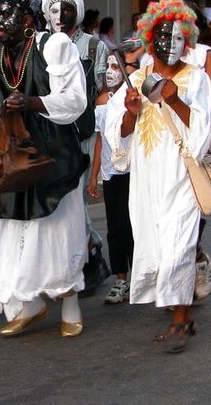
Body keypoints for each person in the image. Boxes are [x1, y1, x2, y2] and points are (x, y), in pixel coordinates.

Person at [0, 0, 88, 337]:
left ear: (26, 20)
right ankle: (30, 304)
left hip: (52, 150)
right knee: (9, 225)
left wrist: (33, 102)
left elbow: (75, 99)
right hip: (11, 150)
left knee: (56, 230)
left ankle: (70, 305)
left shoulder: (53, 46)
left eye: (3, 14)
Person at [105, 0, 211, 353]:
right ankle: (182, 309)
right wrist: (133, 111)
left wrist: (174, 98)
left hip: (181, 175)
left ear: (189, 40)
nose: (170, 42)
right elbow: (118, 133)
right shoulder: (136, 78)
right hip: (148, 178)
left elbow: (203, 127)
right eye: (163, 35)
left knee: (177, 246)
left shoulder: (196, 78)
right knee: (155, 244)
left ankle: (180, 319)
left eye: (178, 36)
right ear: (151, 39)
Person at [42, 0, 111, 297]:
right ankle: (87, 253)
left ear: (78, 13)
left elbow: (101, 91)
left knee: (77, 199)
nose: (60, 16)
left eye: (66, 9)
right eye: (54, 10)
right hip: (52, 134)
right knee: (62, 202)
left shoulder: (95, 47)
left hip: (83, 134)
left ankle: (85, 259)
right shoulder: (41, 44)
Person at [86, 54, 134, 304]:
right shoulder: (102, 100)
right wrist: (94, 176)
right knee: (115, 226)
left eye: (117, 66)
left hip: (132, 169)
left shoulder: (133, 96)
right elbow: (100, 140)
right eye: (108, 66)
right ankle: (121, 278)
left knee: (132, 224)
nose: (111, 72)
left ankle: (139, 275)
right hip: (110, 172)